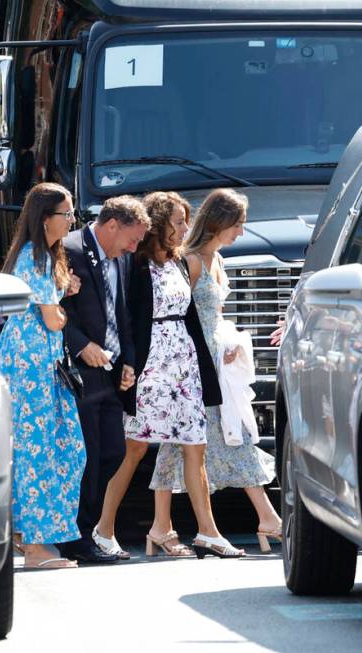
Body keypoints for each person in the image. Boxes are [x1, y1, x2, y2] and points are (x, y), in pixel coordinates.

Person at [93, 191, 241, 559]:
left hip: (183, 365)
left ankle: (209, 532)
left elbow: (191, 317)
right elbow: (124, 319)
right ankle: (103, 528)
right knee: (135, 448)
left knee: (196, 446)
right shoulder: (135, 264)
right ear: (159, 223)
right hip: (149, 366)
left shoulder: (177, 263)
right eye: (178, 221)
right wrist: (127, 365)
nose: (185, 228)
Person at [180, 188, 282, 552]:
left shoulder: (218, 261)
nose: (241, 232)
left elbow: (217, 317)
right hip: (195, 365)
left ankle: (266, 518)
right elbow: (179, 317)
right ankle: (265, 519)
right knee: (188, 446)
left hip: (220, 364)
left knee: (230, 434)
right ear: (219, 222)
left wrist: (230, 345)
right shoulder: (189, 261)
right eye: (238, 224)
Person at [0, 182, 85, 570]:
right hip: (32, 364)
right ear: (46, 218)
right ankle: (35, 546)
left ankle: (28, 536)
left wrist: (61, 296)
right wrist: (61, 309)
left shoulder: (36, 256)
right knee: (42, 450)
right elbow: (53, 320)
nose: (71, 220)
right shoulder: (39, 258)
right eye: (66, 214)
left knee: (45, 447)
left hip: (29, 362)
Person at [58, 195, 149, 564]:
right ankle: (76, 537)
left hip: (111, 370)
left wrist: (129, 362)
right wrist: (81, 346)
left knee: (112, 452)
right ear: (112, 225)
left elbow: (122, 313)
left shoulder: (121, 259)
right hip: (81, 370)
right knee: (88, 456)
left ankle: (85, 531)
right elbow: (54, 308)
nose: (135, 246)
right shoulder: (70, 250)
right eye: (132, 238)